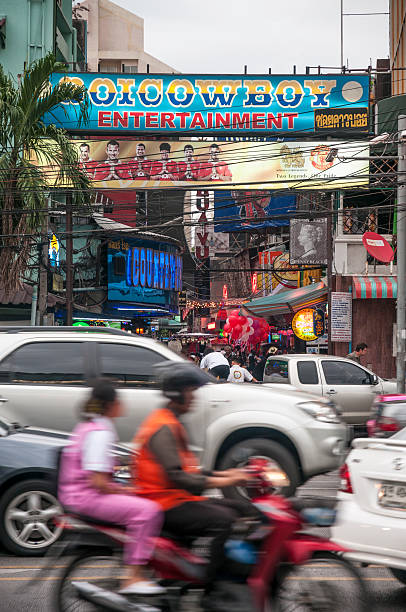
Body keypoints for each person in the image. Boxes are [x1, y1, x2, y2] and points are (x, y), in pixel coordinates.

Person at [132, 363, 257, 584]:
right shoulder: (162, 427)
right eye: (190, 391)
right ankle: (211, 583)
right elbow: (180, 478)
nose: (194, 398)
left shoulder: (171, 422)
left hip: (179, 499)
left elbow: (191, 471)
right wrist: (228, 479)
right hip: (165, 504)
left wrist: (230, 475)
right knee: (224, 520)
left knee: (244, 508)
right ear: (177, 394)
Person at [58, 380, 164, 596]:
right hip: (86, 497)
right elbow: (97, 482)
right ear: (111, 404)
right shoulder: (100, 432)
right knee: (148, 511)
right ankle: (132, 576)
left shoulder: (88, 426)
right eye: (119, 400)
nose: (122, 404)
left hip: (76, 494)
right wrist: (123, 490)